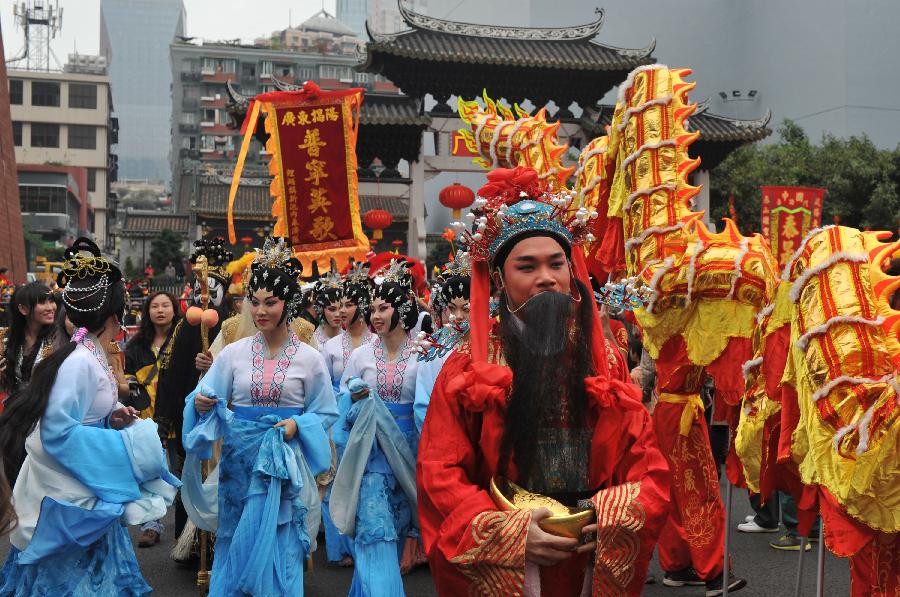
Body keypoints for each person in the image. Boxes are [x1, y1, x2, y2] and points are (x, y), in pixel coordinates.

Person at [417, 166, 671, 596]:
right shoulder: (467, 369)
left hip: (586, 552)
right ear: (498, 279)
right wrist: (508, 533)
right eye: (527, 266)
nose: (546, 278)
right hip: (511, 561)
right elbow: (438, 473)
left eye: (557, 263)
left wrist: (607, 514)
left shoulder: (604, 361)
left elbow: (646, 465)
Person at [0, 237, 179, 595]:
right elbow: (57, 431)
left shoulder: (90, 352)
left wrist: (112, 417)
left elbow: (80, 415)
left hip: (85, 473)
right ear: (118, 312)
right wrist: (124, 449)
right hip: (73, 479)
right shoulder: (81, 360)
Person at [181, 237, 337, 596]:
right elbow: (204, 394)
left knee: (280, 536)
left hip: (284, 458)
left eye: (270, 302)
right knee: (236, 532)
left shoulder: (309, 359)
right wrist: (202, 404)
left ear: (289, 304)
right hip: (239, 458)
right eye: (254, 302)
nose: (260, 310)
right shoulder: (233, 353)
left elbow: (326, 410)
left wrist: (299, 424)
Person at [330, 259, 422, 595]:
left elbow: (428, 408)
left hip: (408, 452)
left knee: (393, 533)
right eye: (372, 309)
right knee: (374, 530)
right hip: (370, 455)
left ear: (403, 308)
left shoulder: (423, 354)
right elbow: (343, 403)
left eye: (384, 307)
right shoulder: (361, 357)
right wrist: (357, 399)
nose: (375, 316)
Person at [154, 237, 233, 547]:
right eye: (203, 289)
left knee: (218, 474)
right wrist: (165, 417)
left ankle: (216, 542)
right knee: (190, 469)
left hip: (224, 415)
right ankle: (188, 543)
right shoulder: (185, 326)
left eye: (214, 290)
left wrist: (215, 361)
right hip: (193, 409)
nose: (208, 296)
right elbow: (170, 372)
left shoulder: (232, 327)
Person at [319, 262, 372, 565]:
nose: (341, 311)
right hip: (337, 419)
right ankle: (339, 548)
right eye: (339, 305)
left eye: (349, 304)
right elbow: (324, 385)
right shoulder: (329, 346)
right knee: (335, 477)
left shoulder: (375, 344)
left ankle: (363, 539)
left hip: (365, 416)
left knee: (363, 478)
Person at [124, 290, 181, 548]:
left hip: (177, 417)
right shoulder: (136, 346)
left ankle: (187, 526)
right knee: (150, 471)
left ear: (174, 308)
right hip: (147, 419)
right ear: (147, 311)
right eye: (155, 306)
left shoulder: (184, 340)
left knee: (181, 472)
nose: (160, 310)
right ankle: (151, 525)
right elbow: (128, 381)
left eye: (165, 305)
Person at [413, 253, 471, 433]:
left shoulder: (494, 344)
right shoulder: (433, 348)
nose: (459, 316)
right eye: (452, 308)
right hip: (442, 438)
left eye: (466, 309)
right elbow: (423, 405)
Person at [0, 282, 59, 397]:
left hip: (49, 407)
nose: (50, 308)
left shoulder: (60, 337)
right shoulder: (5, 338)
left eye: (51, 301)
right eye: (42, 302)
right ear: (23, 309)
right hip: (16, 406)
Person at [313, 269, 344, 349]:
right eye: (332, 309)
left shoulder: (351, 339)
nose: (338, 314)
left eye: (341, 308)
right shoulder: (312, 341)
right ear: (321, 309)